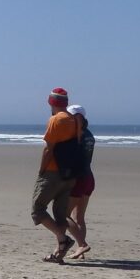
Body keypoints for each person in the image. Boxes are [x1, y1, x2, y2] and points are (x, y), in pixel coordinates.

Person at [31, 88, 78, 263]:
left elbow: (49, 148)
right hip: (70, 173)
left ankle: (63, 239)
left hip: (52, 172)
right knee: (60, 213)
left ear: (51, 103)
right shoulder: (74, 120)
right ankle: (59, 252)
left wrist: (41, 169)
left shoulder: (56, 120)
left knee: (38, 209)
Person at [63, 105, 96, 260]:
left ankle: (81, 244)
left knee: (63, 214)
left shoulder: (78, 135)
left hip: (79, 178)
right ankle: (80, 250)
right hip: (88, 177)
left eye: (71, 117)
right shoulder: (89, 134)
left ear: (78, 118)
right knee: (79, 217)